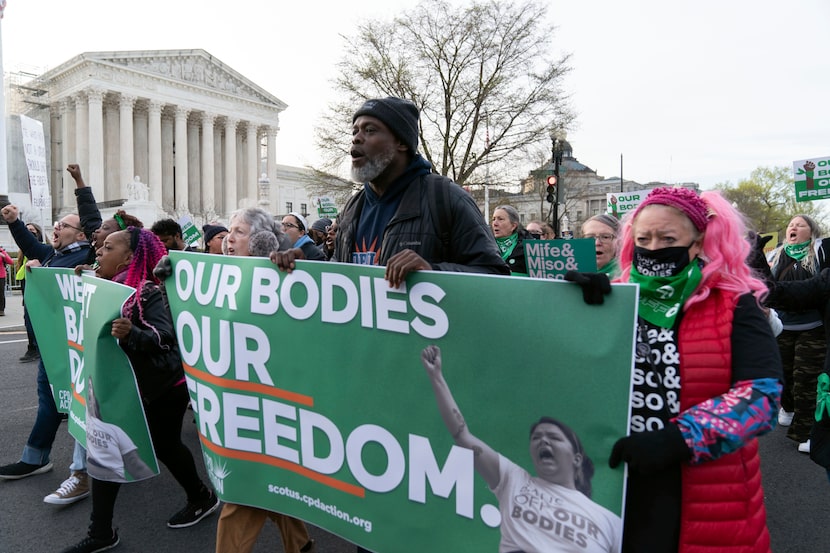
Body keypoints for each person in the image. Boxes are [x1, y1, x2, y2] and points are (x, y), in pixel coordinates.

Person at [579, 187, 782, 552]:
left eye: (667, 238)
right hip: (615, 483)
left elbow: (761, 398)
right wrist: (572, 309)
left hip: (701, 492)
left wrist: (677, 440)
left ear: (698, 242)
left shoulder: (733, 304)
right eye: (644, 238)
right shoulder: (616, 296)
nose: (653, 247)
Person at [62, 227, 219, 553]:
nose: (99, 252)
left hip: (163, 387)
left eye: (107, 247)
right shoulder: (108, 287)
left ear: (129, 258)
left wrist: (132, 333)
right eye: (99, 248)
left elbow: (165, 338)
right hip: (127, 387)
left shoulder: (145, 292)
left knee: (164, 446)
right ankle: (102, 532)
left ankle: (201, 497)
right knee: (108, 449)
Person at [272, 96, 508, 286]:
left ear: (402, 142)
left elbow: (495, 276)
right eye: (355, 131)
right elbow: (342, 276)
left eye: (370, 130)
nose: (356, 139)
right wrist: (309, 267)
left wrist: (432, 272)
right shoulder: (353, 208)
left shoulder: (446, 198)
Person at [421, 345, 622, 552]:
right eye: (536, 438)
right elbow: (461, 435)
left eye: (553, 437)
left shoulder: (610, 521)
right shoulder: (513, 480)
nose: (543, 441)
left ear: (577, 458)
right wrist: (436, 377)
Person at [213, 207, 316, 553]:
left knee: (243, 493)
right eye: (229, 231)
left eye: (239, 232)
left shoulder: (283, 277)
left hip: (271, 403)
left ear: (259, 240)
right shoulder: (218, 277)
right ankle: (300, 544)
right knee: (271, 482)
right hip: (238, 402)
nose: (229, 239)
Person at [0, 163, 102, 505]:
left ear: (82, 234)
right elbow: (30, 244)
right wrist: (14, 221)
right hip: (54, 346)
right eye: (55, 225)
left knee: (85, 406)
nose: (55, 228)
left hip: (79, 347)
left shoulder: (90, 254)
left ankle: (95, 466)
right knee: (49, 402)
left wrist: (79, 183)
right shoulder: (52, 254)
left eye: (64, 225)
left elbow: (92, 221)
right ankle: (35, 458)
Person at [766, 214, 830, 452]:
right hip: (782, 327)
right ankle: (788, 406)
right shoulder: (776, 254)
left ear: (811, 231)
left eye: (799, 225)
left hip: (813, 328)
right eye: (790, 224)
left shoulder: (821, 251)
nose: (793, 227)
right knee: (783, 376)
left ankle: (809, 433)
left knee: (806, 381)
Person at [16, 222, 43, 362]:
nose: (29, 233)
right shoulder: (23, 251)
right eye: (26, 231)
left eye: (32, 231)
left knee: (33, 318)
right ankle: (33, 347)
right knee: (28, 319)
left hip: (36, 285)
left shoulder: (40, 249)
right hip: (25, 283)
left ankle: (36, 347)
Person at [492, 205, 532, 276]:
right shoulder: (485, 245)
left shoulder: (529, 247)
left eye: (500, 219)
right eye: (493, 219)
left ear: (513, 226)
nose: (495, 223)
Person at [0, 244, 13, 315]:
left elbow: (10, 261)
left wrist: (3, 256)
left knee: (1, 293)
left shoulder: (2, 252)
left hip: (1, 275)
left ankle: (1, 310)